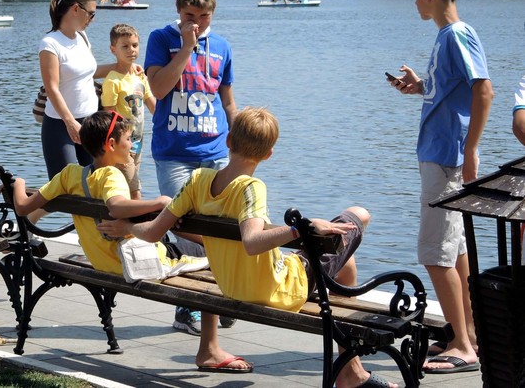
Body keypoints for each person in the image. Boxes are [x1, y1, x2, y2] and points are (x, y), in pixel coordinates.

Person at [97, 107, 394, 386]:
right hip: (277, 289)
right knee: (358, 215)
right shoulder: (252, 187)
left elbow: (152, 232)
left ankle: (350, 370)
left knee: (345, 263)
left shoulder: (198, 180)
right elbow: (252, 243)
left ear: (227, 140)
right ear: (268, 154)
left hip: (230, 286)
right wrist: (299, 228)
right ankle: (350, 372)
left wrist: (127, 228)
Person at [388, 0, 490, 374]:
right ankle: (465, 333)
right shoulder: (447, 38)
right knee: (457, 250)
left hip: (447, 157)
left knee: (433, 253)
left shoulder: (456, 35)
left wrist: (471, 151)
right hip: (441, 153)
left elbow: (484, 88)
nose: (414, 0)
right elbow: (455, 90)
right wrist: (420, 87)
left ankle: (463, 347)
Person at [144, 0, 236, 335]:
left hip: (215, 150)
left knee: (221, 228)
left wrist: (239, 137)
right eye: (188, 14)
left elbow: (226, 98)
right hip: (174, 153)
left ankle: (215, 298)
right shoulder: (161, 39)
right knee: (186, 230)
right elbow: (158, 87)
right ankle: (189, 308)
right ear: (178, 11)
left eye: (203, 16)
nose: (196, 22)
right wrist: (186, 47)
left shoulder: (223, 46)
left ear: (213, 13)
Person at [10, 110, 206, 277]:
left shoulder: (69, 175)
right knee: (207, 249)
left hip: (102, 262)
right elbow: (116, 206)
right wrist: (159, 202)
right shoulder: (111, 175)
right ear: (111, 144)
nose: (131, 145)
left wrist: (19, 183)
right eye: (128, 139)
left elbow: (22, 207)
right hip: (136, 263)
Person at [38, 0, 130, 179]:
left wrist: (123, 67)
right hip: (60, 125)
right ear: (76, 9)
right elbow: (51, 87)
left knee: (95, 184)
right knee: (66, 188)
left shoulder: (82, 36)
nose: (92, 20)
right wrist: (70, 122)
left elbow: (88, 72)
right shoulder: (50, 43)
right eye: (91, 14)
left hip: (90, 124)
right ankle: (24, 206)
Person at [101, 24, 156, 199]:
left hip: (138, 142)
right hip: (121, 145)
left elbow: (152, 105)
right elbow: (108, 114)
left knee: (128, 186)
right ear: (113, 49)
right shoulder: (112, 80)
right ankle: (138, 223)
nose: (131, 50)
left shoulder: (140, 76)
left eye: (134, 45)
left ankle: (123, 223)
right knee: (134, 191)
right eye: (124, 46)